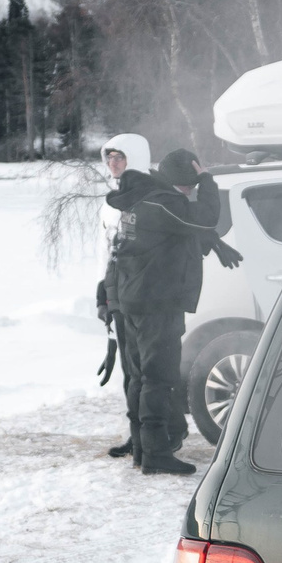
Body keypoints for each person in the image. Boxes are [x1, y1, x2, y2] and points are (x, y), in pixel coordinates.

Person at [105, 147, 241, 475]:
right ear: (178, 182)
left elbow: (174, 235)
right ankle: (155, 454)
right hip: (156, 303)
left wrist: (211, 241)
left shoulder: (142, 199)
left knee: (140, 377)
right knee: (158, 377)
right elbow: (204, 216)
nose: (191, 193)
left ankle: (142, 448)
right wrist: (208, 178)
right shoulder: (163, 202)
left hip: (136, 300)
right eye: (189, 186)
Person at [95, 132, 152, 459]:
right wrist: (102, 298)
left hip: (142, 296)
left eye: (120, 157)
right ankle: (137, 436)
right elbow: (103, 254)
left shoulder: (148, 197)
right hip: (117, 296)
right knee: (130, 374)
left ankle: (155, 437)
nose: (114, 163)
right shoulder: (109, 203)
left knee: (148, 372)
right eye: (109, 158)